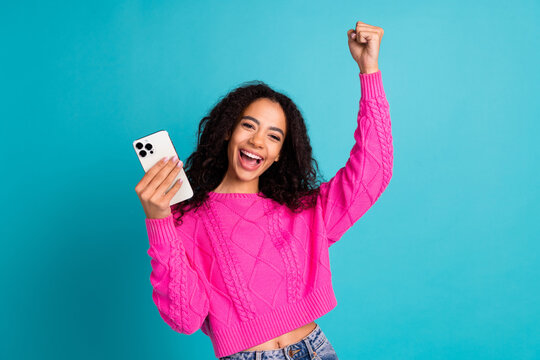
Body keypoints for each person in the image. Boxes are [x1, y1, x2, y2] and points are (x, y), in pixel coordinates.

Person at [135, 21, 392, 360]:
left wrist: (369, 70)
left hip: (316, 350)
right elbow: (185, 318)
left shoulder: (302, 210)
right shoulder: (184, 218)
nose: (257, 141)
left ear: (280, 153)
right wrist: (158, 221)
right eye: (248, 126)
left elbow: (373, 170)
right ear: (228, 131)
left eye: (274, 136)